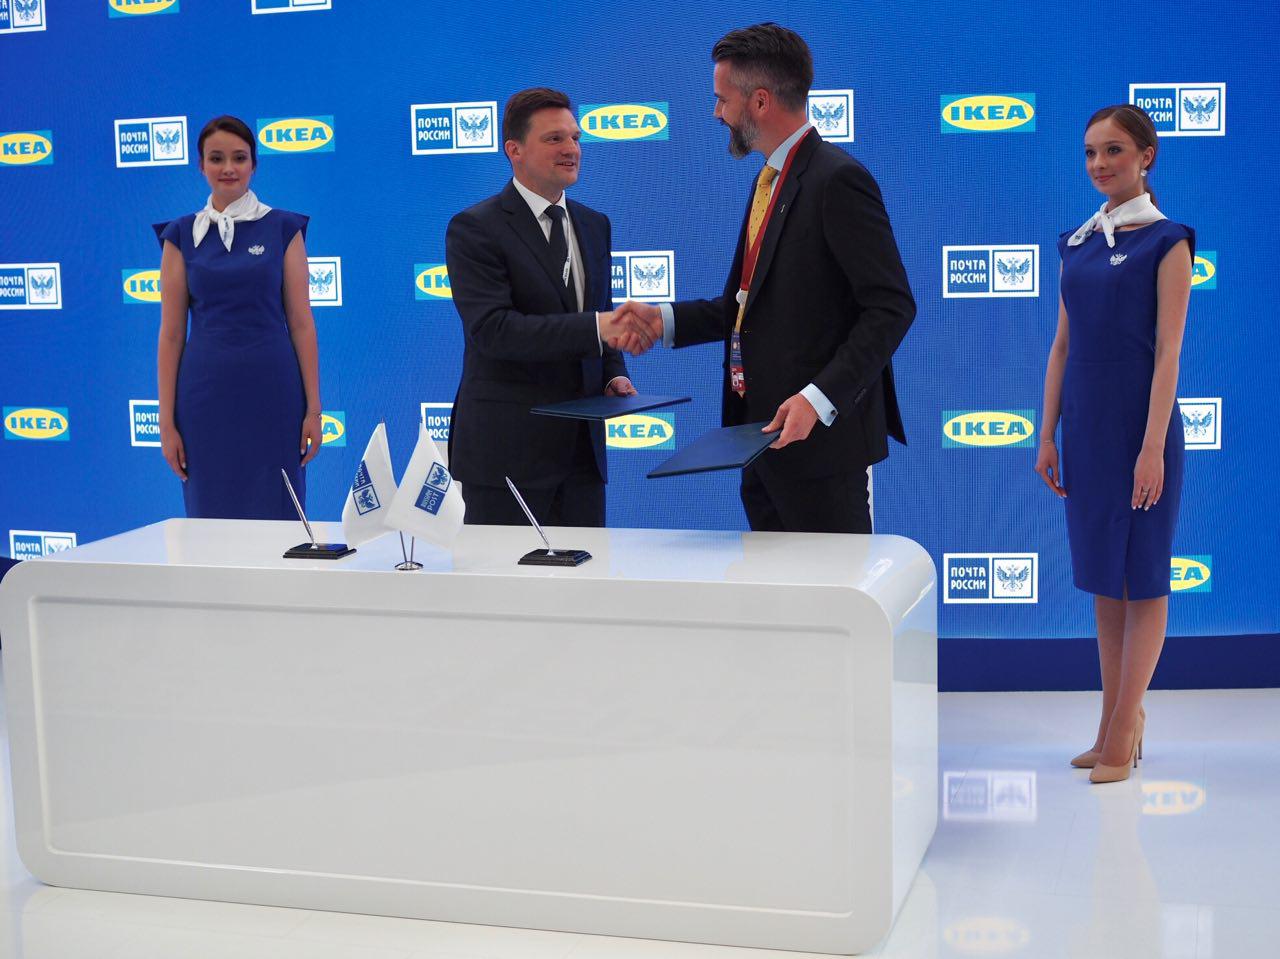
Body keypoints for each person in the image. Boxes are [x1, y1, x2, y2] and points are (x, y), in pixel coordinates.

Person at [611, 23, 915, 533]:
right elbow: (744, 308)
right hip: (760, 443)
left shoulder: (838, 179)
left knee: (825, 587)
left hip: (820, 451)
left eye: (722, 100)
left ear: (759, 101)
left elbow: (891, 307)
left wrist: (818, 400)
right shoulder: (769, 179)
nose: (717, 113)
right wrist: (662, 320)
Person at [1035, 104, 1193, 784]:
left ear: (1146, 156)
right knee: (1106, 578)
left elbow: (1169, 352)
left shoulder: (1169, 241)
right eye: (1091, 152)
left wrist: (1152, 447)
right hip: (1088, 431)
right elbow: (1061, 345)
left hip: (1140, 429)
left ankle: (1127, 724)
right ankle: (1108, 723)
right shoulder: (1076, 243)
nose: (1100, 163)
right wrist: (1046, 432)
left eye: (1115, 150)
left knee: (1144, 575)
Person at [445, 87, 642, 527]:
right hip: (507, 456)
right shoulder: (475, 229)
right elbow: (495, 331)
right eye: (554, 139)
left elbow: (599, 312)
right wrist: (598, 328)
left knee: (588, 573)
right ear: (513, 150)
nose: (571, 149)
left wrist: (613, 373)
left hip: (582, 458)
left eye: (575, 137)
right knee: (502, 575)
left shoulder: (594, 224)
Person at [155, 115, 321, 519]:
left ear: (254, 165)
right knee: (210, 519)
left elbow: (301, 323)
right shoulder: (179, 236)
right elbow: (172, 334)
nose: (228, 168)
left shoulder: (284, 229)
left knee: (278, 516)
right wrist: (166, 421)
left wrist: (314, 409)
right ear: (201, 166)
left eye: (239, 158)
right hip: (204, 398)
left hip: (274, 393)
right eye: (216, 158)